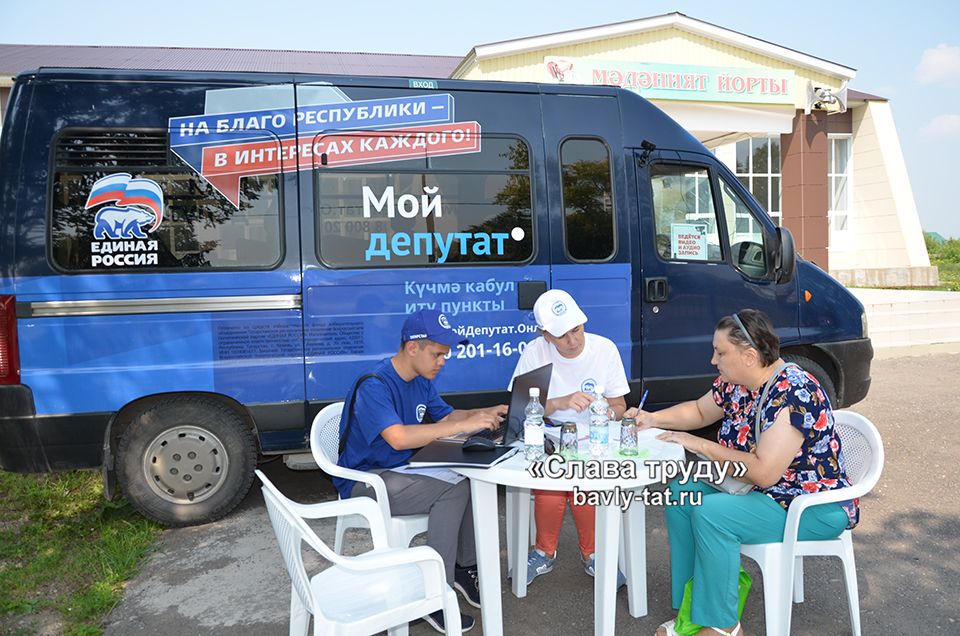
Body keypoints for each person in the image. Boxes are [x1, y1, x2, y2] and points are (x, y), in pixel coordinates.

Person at [623, 309, 859, 636]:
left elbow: (764, 473)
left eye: (720, 352)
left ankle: (722, 626)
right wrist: (652, 418)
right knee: (681, 492)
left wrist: (700, 446)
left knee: (711, 514)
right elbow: (700, 410)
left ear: (749, 356)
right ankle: (693, 612)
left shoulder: (792, 391)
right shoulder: (738, 383)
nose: (712, 360)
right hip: (768, 495)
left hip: (811, 505)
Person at [334, 309, 507, 633]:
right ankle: (432, 593)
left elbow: (447, 417)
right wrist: (465, 424)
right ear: (413, 348)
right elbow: (398, 438)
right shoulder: (376, 383)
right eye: (438, 354)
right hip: (366, 480)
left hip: (401, 470)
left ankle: (460, 568)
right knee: (453, 488)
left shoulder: (420, 380)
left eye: (445, 355)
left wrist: (486, 412)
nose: (443, 361)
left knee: (468, 476)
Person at [508, 289, 629, 587]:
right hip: (548, 433)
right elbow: (520, 410)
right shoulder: (535, 351)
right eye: (562, 335)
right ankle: (543, 551)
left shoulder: (604, 349)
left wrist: (603, 415)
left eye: (576, 329)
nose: (573, 341)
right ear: (545, 334)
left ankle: (593, 553)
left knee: (583, 482)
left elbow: (620, 406)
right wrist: (560, 403)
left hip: (595, 437)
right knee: (550, 482)